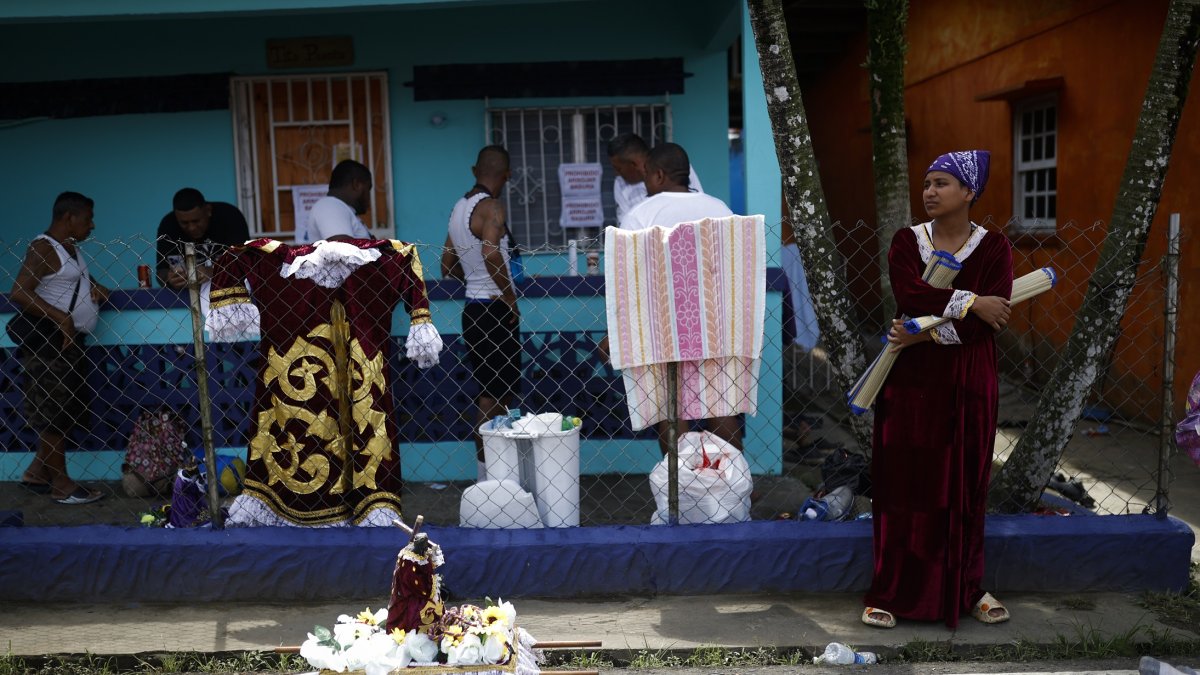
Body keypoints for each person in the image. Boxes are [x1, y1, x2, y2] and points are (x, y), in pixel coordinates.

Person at [862, 150, 1013, 630]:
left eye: (941, 183)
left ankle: (967, 588)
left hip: (970, 383)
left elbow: (991, 322)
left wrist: (923, 333)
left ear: (969, 192)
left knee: (965, 485)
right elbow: (910, 294)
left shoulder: (995, 248)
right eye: (927, 183)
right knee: (904, 484)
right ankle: (890, 589)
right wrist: (973, 301)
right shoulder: (907, 241)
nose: (929, 191)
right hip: (910, 384)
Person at [608, 142, 741, 454]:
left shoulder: (641, 214)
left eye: (646, 177)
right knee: (720, 405)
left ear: (658, 175)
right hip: (714, 324)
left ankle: (679, 480)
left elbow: (628, 280)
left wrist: (617, 329)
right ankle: (736, 479)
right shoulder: (720, 209)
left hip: (660, 327)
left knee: (670, 408)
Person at [10, 191, 111, 504]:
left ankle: (38, 473)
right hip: (49, 343)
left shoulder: (70, 250)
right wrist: (61, 317)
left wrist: (97, 289)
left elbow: (71, 284)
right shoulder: (43, 247)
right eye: (88, 218)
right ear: (69, 217)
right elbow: (19, 291)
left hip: (69, 343)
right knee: (52, 414)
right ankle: (62, 485)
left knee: (63, 411)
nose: (92, 225)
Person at [441, 145, 521, 481]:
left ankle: (492, 475)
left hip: (472, 310)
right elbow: (490, 253)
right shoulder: (492, 207)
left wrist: (474, 281)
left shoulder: (458, 210)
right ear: (507, 175)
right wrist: (509, 298)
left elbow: (447, 265)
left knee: (492, 394)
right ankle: (491, 480)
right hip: (495, 311)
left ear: (475, 171)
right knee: (495, 399)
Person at [156, 188, 250, 289]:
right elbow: (161, 271)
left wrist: (212, 271)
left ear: (208, 211)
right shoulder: (168, 226)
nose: (192, 228)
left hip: (233, 290)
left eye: (196, 221)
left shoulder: (229, 216)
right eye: (184, 223)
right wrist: (169, 279)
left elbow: (245, 263)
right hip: (188, 293)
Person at [607, 133, 703, 226]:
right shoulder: (620, 183)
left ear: (633, 165)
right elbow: (625, 223)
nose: (616, 173)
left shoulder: (676, 165)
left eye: (618, 169)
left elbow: (697, 204)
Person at [306, 159, 374, 242]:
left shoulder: (342, 208)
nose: (369, 197)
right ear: (356, 185)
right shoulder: (330, 206)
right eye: (368, 189)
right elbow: (341, 247)